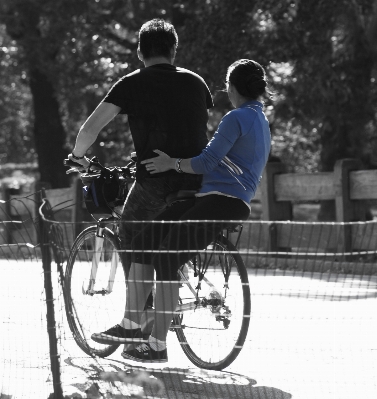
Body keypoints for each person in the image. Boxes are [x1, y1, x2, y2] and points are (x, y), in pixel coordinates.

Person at [92, 59, 272, 363]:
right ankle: (131, 325)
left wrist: (170, 163)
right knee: (146, 240)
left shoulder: (236, 117)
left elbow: (205, 161)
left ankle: (157, 344)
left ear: (231, 86)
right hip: (218, 198)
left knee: (168, 256)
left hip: (222, 201)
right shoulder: (260, 120)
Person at [68, 19, 213, 324]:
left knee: (129, 232)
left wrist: (77, 156)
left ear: (139, 51)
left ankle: (140, 313)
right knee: (166, 238)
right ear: (174, 49)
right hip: (198, 178)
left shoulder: (132, 83)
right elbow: (191, 128)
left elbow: (91, 128)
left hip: (157, 181)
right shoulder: (196, 82)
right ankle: (167, 298)